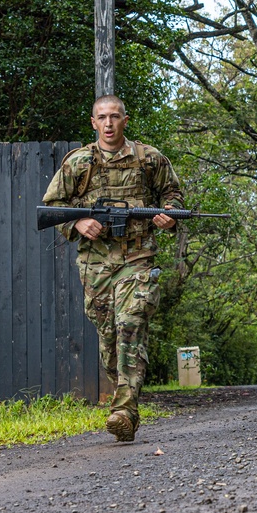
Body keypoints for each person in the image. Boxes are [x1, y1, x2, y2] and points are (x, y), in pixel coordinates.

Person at [43, 95, 183, 442]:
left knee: (130, 325)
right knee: (109, 340)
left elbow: (173, 194)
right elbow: (53, 205)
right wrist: (78, 224)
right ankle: (130, 408)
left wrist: (168, 216)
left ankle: (121, 409)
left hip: (138, 258)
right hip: (96, 266)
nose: (108, 123)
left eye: (115, 117)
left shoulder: (149, 158)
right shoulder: (78, 163)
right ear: (93, 122)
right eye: (102, 118)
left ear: (125, 120)